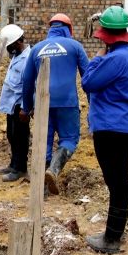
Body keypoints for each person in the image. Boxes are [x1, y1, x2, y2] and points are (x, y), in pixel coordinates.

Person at [81, 6, 128, 254]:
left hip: (110, 126)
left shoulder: (114, 59)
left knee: (116, 182)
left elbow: (88, 82)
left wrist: (97, 58)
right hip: (125, 124)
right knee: (120, 180)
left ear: (106, 34)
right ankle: (114, 233)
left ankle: (111, 238)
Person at [21, 13, 89, 195]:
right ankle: (54, 170)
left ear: (50, 29)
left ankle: (41, 188)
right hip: (67, 103)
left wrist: (26, 108)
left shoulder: (36, 49)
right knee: (69, 139)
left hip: (42, 104)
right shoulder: (75, 46)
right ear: (69, 29)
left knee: (44, 142)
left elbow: (27, 81)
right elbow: (89, 78)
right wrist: (93, 103)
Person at [0, 24, 31, 183]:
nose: (8, 49)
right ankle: (13, 164)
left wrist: (26, 107)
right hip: (11, 103)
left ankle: (20, 169)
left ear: (17, 43)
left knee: (20, 136)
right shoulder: (17, 56)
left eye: (10, 46)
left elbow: (30, 85)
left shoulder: (27, 59)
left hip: (20, 104)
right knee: (11, 134)